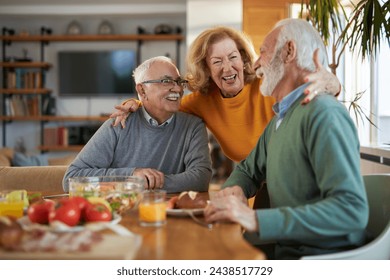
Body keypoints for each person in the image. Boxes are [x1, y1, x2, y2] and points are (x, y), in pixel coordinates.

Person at [203, 18, 369, 260]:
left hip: (320, 259)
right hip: (283, 250)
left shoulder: (324, 114)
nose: (257, 63)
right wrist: (235, 191)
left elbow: (351, 210)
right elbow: (248, 171)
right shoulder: (281, 118)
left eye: (263, 52)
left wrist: (254, 218)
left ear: (289, 51)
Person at [110, 26, 340, 164]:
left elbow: (315, 92)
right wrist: (137, 103)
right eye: (217, 61)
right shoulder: (202, 101)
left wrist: (333, 84)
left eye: (232, 57)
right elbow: (161, 104)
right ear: (207, 69)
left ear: (243, 59)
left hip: (294, 182)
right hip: (251, 191)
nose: (227, 68)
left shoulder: (269, 84)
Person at [62, 56, 212, 193]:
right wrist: (131, 176)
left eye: (179, 82)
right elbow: (71, 179)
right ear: (142, 90)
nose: (178, 89)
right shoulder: (118, 124)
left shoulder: (193, 127)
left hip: (166, 215)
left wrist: (144, 183)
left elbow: (200, 179)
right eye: (166, 81)